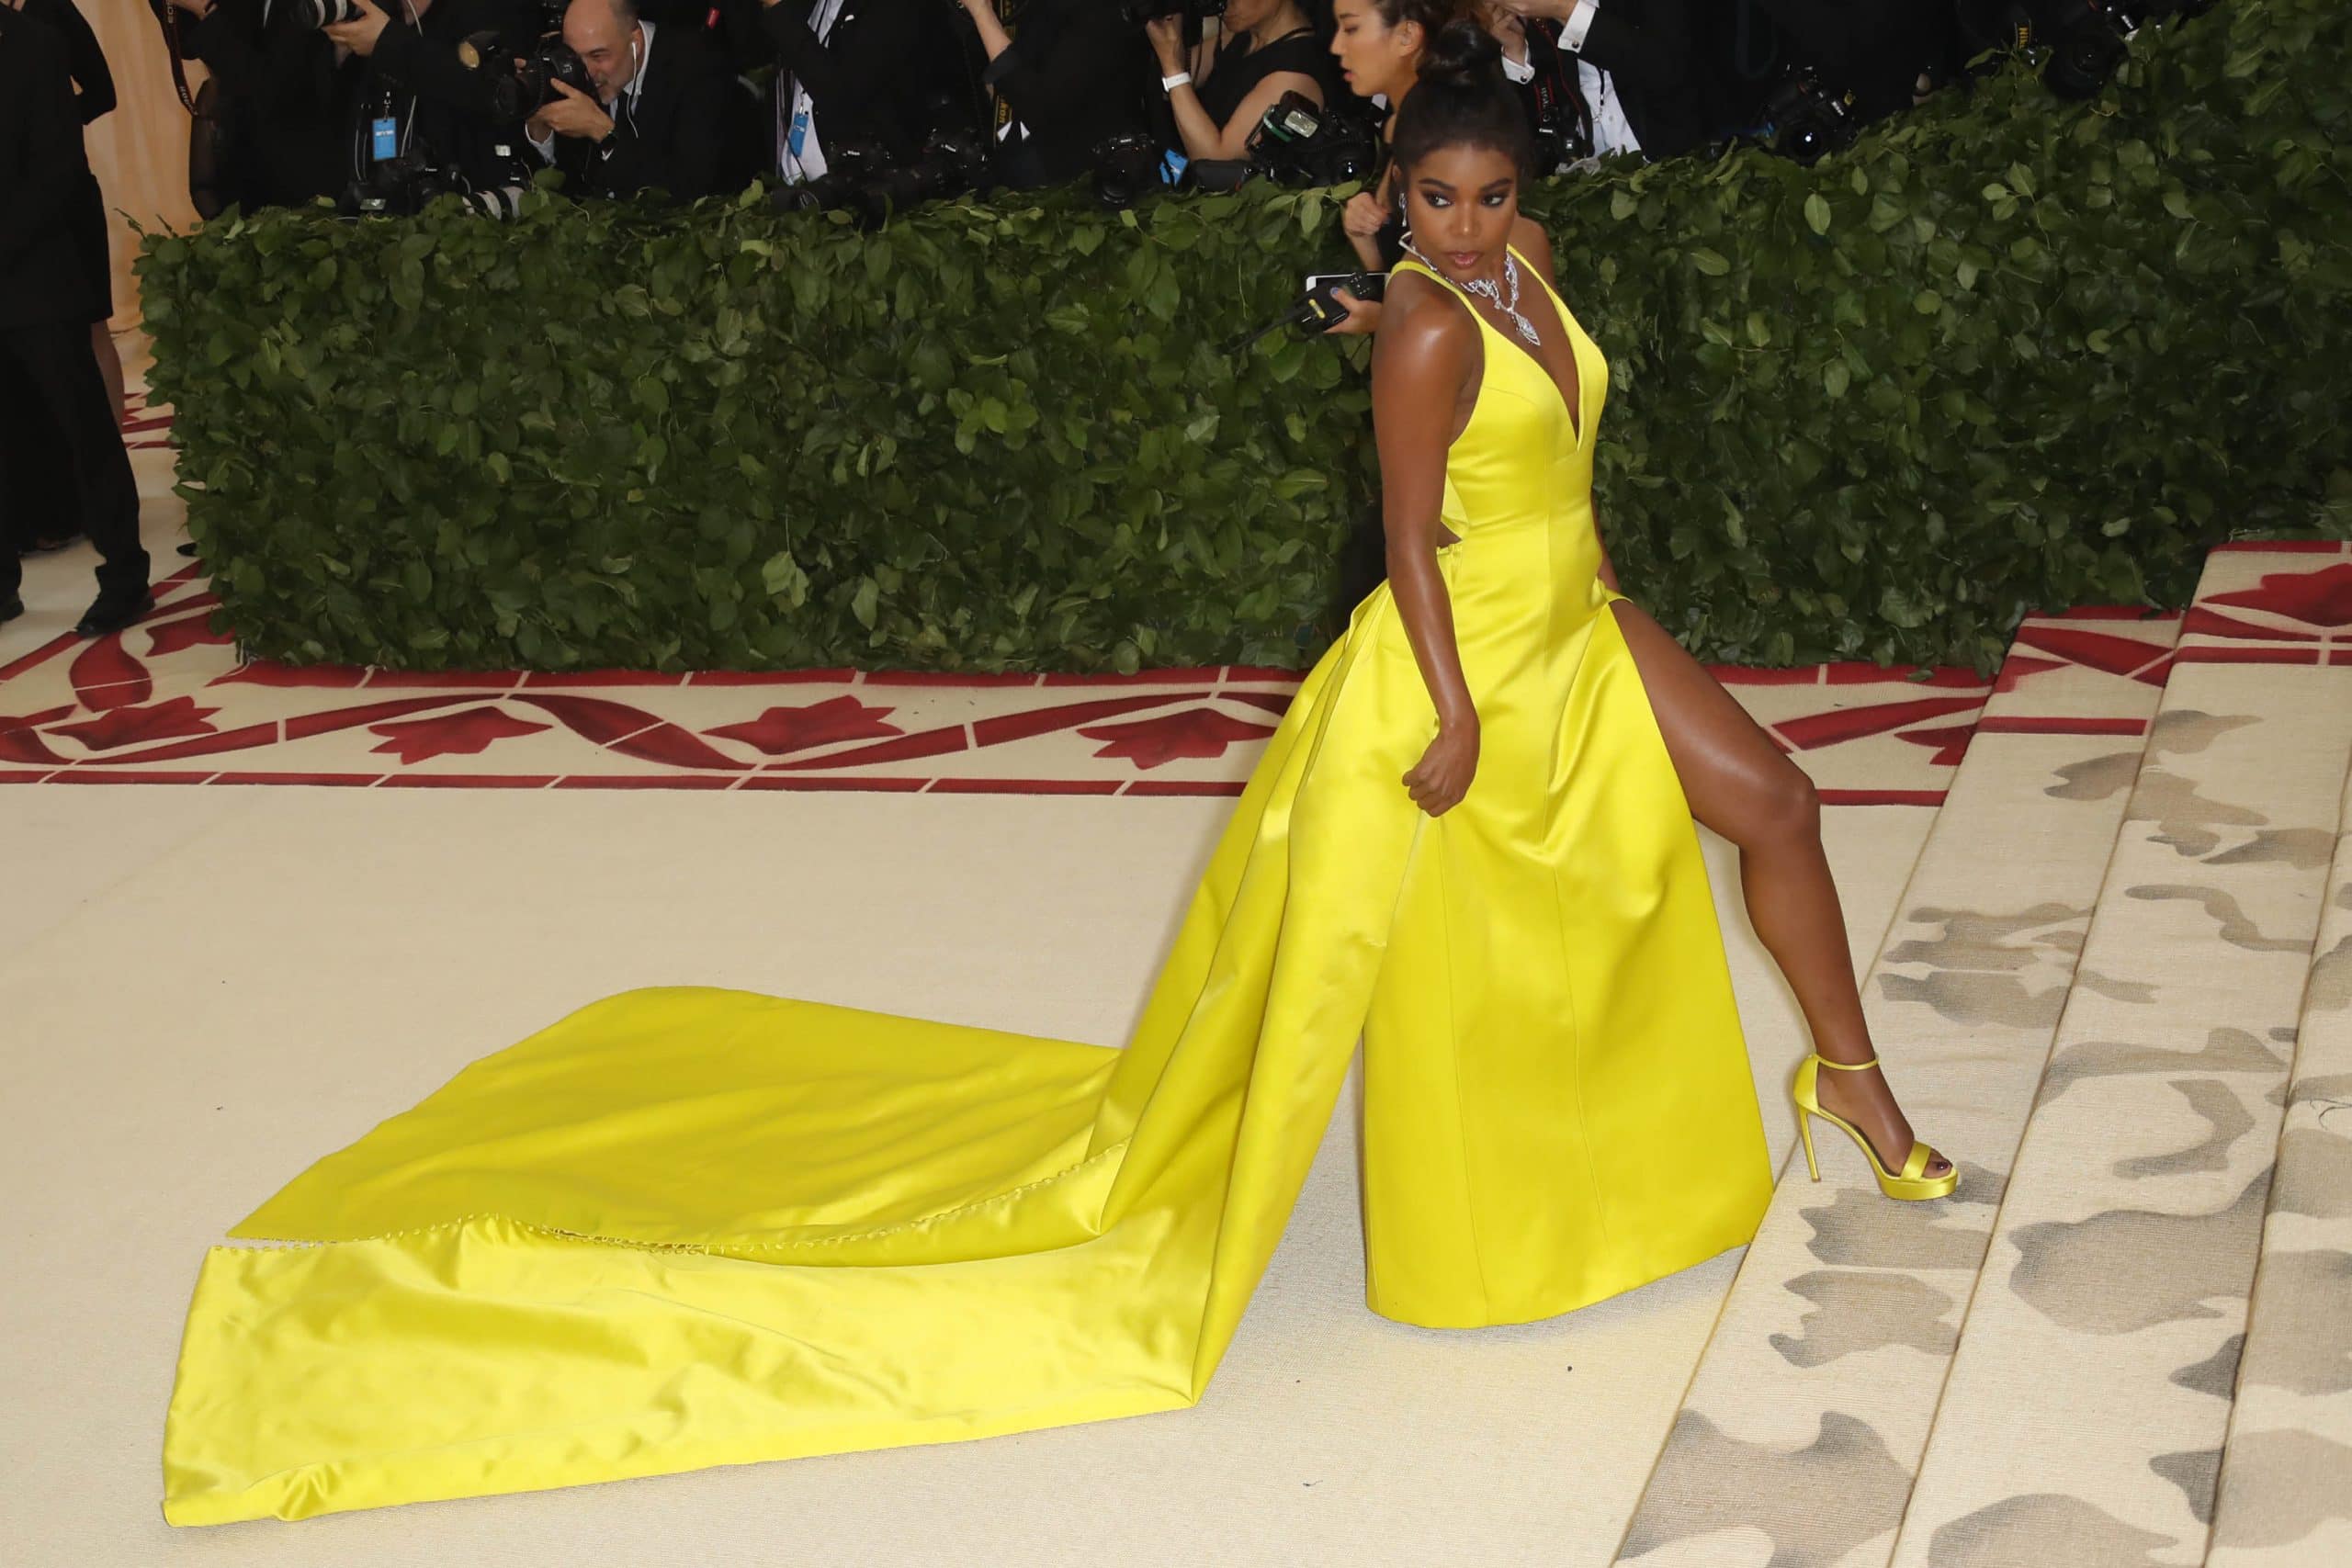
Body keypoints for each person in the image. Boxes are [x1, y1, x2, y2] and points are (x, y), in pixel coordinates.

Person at [153, 21, 1952, 1529]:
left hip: (1584, 616)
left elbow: (1537, 427)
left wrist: (1518, 476)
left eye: (1488, 200)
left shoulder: (1519, 278)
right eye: (1438, 202)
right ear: (1401, 199)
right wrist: (1454, 704)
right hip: (1462, 661)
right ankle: (1532, 1210)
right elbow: (1403, 537)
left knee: (1774, 802)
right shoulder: (1422, 319)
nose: (1470, 231)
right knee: (1393, 960)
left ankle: (1845, 1079)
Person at [0, 2, 149, 636]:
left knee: (84, 427)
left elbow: (57, 170)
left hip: (35, 273)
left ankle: (124, 575)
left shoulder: (35, 43)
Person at [151, 0, 371, 212]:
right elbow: (188, 44)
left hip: (316, 199)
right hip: (249, 173)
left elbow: (277, 90)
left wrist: (204, 8)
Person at [320, 0, 544, 194]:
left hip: (471, 204)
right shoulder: (368, 11)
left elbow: (499, 91)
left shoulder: (491, 10)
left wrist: (388, 42)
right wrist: (341, 47)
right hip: (364, 199)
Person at [750, 0, 984, 185]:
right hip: (796, 192)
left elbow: (842, 96)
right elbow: (748, 54)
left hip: (865, 201)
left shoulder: (897, 7)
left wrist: (778, 7)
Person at [526, 0, 731, 202]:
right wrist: (542, 131)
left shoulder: (699, 68)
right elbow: (573, 182)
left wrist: (605, 135)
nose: (587, 73)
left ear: (636, 43)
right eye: (576, 57)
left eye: (598, 56)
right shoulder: (573, 70)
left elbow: (690, 187)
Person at [954, 0, 1154, 189]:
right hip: (1028, 155)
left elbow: (1037, 105)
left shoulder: (1095, 12)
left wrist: (982, 12)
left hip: (1082, 177)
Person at [1146, 0, 1336, 164]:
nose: (1223, 4)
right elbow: (1170, 81)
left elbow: (1216, 163)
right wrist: (1170, 14)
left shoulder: (1295, 75)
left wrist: (1172, 67)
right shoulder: (1244, 38)